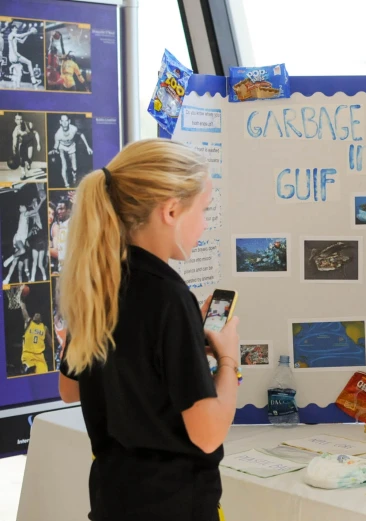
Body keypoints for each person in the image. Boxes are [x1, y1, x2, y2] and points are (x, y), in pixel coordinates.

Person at [58, 139, 239, 521]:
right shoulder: (170, 297)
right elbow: (207, 434)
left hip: (112, 500)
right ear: (171, 210)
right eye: (204, 211)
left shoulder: (97, 283)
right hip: (176, 504)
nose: (205, 225)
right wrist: (228, 358)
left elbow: (69, 388)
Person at [50, 115, 92, 188]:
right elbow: (56, 145)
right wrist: (54, 151)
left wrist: (88, 147)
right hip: (62, 148)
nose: (65, 123)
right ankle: (66, 184)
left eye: (66, 121)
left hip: (72, 147)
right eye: (63, 121)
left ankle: (74, 177)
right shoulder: (57, 134)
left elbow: (81, 134)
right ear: (60, 122)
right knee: (64, 166)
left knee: (74, 168)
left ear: (69, 121)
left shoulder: (74, 129)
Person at [19, 294, 52, 374]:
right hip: (28, 354)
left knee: (43, 376)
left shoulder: (44, 328)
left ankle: (27, 367)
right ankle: (25, 366)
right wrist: (21, 301)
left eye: (37, 314)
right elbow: (24, 309)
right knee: (29, 372)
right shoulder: (29, 322)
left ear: (41, 318)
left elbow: (51, 342)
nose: (35, 315)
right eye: (34, 314)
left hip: (40, 356)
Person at [11, 113, 41, 179]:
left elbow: (36, 133)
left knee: (29, 158)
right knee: (21, 159)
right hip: (22, 143)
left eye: (21, 119)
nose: (20, 121)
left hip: (30, 142)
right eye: (18, 119)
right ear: (15, 120)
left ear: (23, 119)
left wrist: (38, 144)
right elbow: (14, 143)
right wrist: (14, 152)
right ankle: (23, 174)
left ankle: (29, 162)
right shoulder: (15, 131)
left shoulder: (29, 125)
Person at [50, 197, 70, 274]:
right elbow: (57, 252)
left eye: (61, 209)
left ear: (69, 211)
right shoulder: (57, 225)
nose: (58, 211)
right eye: (58, 209)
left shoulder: (73, 223)